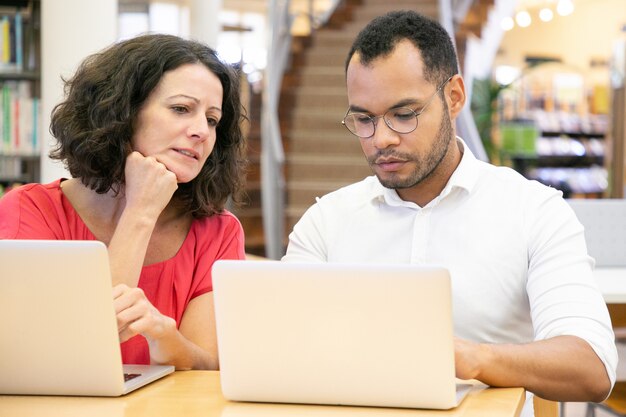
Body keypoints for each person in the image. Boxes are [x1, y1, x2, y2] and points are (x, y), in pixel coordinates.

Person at [283, 10, 617, 413]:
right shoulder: (325, 223)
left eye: (404, 114)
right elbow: (284, 354)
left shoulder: (533, 211)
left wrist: (471, 358)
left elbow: (592, 367)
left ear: (454, 97)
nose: (381, 139)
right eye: (364, 119)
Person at [0, 34, 247, 370]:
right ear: (122, 111)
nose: (201, 131)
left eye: (212, 119)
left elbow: (208, 369)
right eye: (181, 109)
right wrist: (141, 211)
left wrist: (166, 338)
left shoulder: (218, 232)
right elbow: (76, 353)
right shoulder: (28, 212)